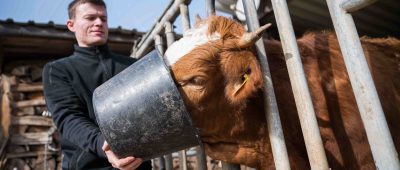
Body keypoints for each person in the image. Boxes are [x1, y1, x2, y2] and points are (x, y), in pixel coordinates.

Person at [42, 0, 151, 169]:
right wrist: (105, 145)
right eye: (90, 17)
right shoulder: (57, 70)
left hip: (137, 165)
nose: (99, 23)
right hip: (88, 165)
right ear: (71, 25)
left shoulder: (133, 66)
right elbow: (69, 118)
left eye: (103, 19)